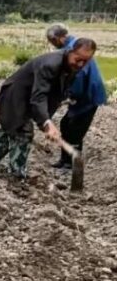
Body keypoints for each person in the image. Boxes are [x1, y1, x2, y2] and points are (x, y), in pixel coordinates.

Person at [0, 39, 98, 179]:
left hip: (30, 98)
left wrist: (46, 122)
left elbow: (57, 92)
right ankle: (16, 178)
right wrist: (47, 122)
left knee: (10, 129)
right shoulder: (51, 64)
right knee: (23, 131)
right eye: (78, 59)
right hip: (15, 97)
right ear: (70, 51)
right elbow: (39, 97)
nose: (81, 64)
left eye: (86, 61)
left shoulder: (73, 66)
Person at [45, 23, 108, 172]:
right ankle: (64, 160)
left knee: (74, 131)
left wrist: (67, 95)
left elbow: (77, 77)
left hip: (87, 96)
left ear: (61, 38)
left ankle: (71, 166)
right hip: (82, 95)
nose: (52, 44)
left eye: (52, 40)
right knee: (66, 125)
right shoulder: (73, 46)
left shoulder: (75, 51)